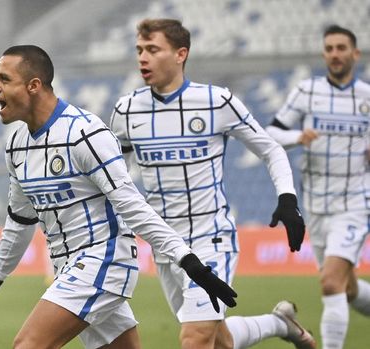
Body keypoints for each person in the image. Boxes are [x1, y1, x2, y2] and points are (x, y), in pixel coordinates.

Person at [0, 44, 237, 349]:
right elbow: (20, 219)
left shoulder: (85, 133)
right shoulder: (17, 145)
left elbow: (132, 205)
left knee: (28, 345)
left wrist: (187, 259)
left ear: (33, 86)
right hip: (69, 269)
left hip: (104, 260)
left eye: (4, 79)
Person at [109, 18, 315, 349]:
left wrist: (288, 199)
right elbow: (113, 176)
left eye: (152, 49)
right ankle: (280, 323)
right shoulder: (127, 110)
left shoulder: (216, 101)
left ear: (180, 54)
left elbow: (272, 150)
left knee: (195, 337)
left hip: (211, 237)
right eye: (139, 50)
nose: (142, 58)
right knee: (220, 341)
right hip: (167, 247)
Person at [266, 24, 370, 349]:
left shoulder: (367, 96)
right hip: (316, 205)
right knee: (346, 287)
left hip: (355, 203)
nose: (335, 54)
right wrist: (297, 137)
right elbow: (270, 132)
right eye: (329, 49)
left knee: (329, 284)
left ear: (355, 53)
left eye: (341, 48)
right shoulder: (307, 91)